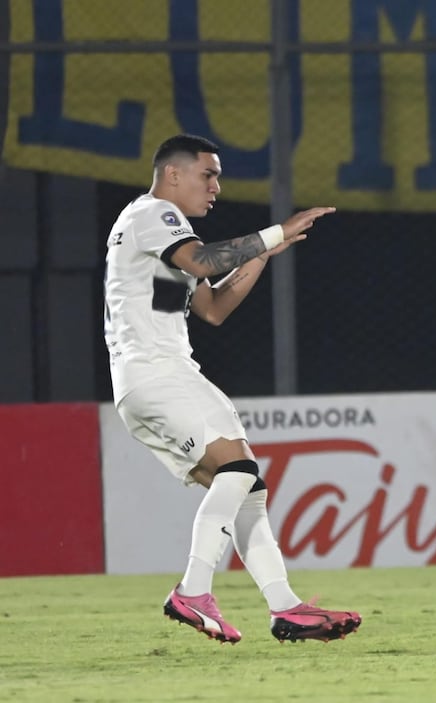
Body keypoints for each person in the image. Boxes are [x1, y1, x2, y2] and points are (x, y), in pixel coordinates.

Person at [104, 133, 361, 645]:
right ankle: (193, 591)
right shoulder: (155, 214)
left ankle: (286, 608)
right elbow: (203, 261)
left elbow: (213, 307)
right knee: (240, 470)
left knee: (247, 488)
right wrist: (272, 232)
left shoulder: (156, 232)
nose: (216, 186)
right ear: (172, 174)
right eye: (209, 174)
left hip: (148, 379)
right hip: (159, 373)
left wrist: (266, 253)